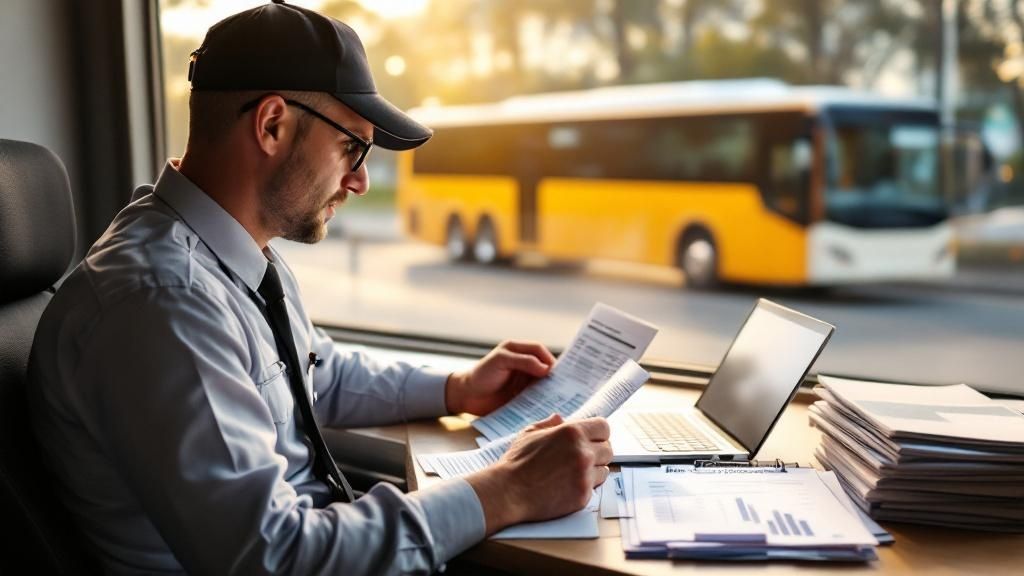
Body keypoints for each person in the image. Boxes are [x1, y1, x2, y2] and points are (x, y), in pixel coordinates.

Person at [28, 2, 612, 574]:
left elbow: (315, 373)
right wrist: (508, 490)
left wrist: (458, 388)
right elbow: (276, 556)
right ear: (272, 124)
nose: (359, 180)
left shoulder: (233, 257)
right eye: (351, 146)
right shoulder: (162, 303)